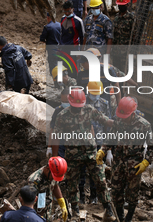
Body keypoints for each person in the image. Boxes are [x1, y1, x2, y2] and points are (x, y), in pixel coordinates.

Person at [52, 88, 115, 220]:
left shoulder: (89, 110)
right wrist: (55, 157)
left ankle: (108, 209)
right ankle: (75, 210)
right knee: (72, 183)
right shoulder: (62, 116)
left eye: (80, 106)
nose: (78, 109)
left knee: (100, 180)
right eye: (75, 107)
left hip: (91, 153)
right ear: (70, 102)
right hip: (73, 155)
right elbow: (56, 136)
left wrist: (120, 124)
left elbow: (105, 120)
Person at [98, 97, 153, 222]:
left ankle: (129, 217)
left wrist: (146, 161)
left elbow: (152, 146)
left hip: (135, 165)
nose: (123, 118)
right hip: (118, 162)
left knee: (132, 193)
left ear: (133, 113)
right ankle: (120, 216)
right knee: (116, 191)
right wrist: (103, 150)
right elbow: (110, 138)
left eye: (126, 116)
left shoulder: (144, 125)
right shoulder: (118, 121)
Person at [80, 81, 111, 204]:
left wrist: (108, 149)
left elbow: (108, 125)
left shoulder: (104, 104)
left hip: (99, 141)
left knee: (96, 170)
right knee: (82, 170)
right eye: (93, 93)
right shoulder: (82, 103)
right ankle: (81, 197)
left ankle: (94, 196)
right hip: (84, 142)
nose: (95, 95)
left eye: (97, 93)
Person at [28, 157, 68, 222]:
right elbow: (29, 203)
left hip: (47, 210)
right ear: (47, 169)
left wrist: (62, 203)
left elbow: (55, 186)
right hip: (36, 214)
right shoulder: (34, 180)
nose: (54, 179)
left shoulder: (53, 173)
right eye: (54, 177)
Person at [112, 0, 134, 72]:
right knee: (114, 71)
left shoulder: (131, 18)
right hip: (115, 52)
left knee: (123, 72)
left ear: (127, 5)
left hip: (125, 53)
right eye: (119, 5)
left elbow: (134, 36)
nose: (120, 7)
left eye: (123, 5)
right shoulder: (116, 17)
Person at [48, 88, 70, 159]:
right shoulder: (58, 111)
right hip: (61, 145)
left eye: (66, 101)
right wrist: (49, 147)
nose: (64, 103)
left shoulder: (78, 110)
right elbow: (52, 129)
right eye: (63, 101)